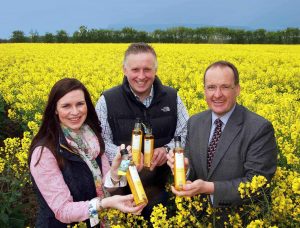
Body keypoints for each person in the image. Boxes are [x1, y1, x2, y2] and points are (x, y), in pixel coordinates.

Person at [167, 61, 277, 222]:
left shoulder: (259, 128)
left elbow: (257, 182)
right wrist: (185, 170)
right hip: (199, 218)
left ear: (237, 89)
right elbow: (194, 170)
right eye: (211, 87)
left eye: (225, 87)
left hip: (241, 219)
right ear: (204, 90)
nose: (217, 94)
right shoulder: (195, 122)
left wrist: (208, 188)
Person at [29, 78, 145, 228]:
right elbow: (62, 210)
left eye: (80, 104)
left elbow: (105, 186)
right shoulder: (45, 152)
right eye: (66, 106)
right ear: (55, 109)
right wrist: (105, 204)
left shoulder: (92, 138)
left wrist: (116, 172)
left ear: (87, 105)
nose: (75, 112)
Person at [95, 42, 189, 219]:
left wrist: (167, 150)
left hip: (163, 189)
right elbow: (100, 141)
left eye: (147, 69)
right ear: (124, 70)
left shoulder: (172, 97)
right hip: (122, 194)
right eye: (135, 69)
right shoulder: (107, 100)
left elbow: (186, 133)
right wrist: (125, 157)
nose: (141, 76)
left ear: (155, 70)